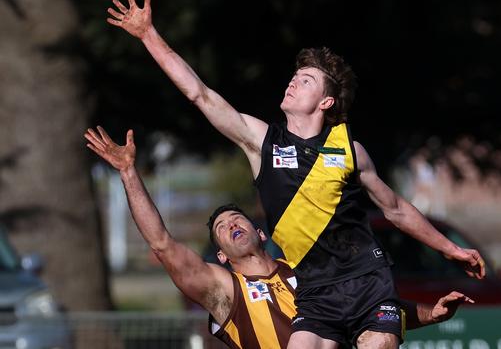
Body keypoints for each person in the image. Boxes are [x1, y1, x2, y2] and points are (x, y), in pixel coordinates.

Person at [106, 0, 486, 348]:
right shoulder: (261, 143)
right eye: (295, 76)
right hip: (315, 292)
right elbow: (199, 93)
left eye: (305, 80)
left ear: (326, 101)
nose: (293, 81)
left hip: (366, 281)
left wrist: (450, 248)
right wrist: (148, 35)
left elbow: (396, 209)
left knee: (377, 343)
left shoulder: (350, 149)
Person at [84, 126, 474, 349]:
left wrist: (431, 314)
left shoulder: (306, 273)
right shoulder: (225, 289)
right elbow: (162, 244)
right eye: (221, 230)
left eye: (236, 219)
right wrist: (128, 173)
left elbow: (372, 309)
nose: (230, 225)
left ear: (260, 232)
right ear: (220, 255)